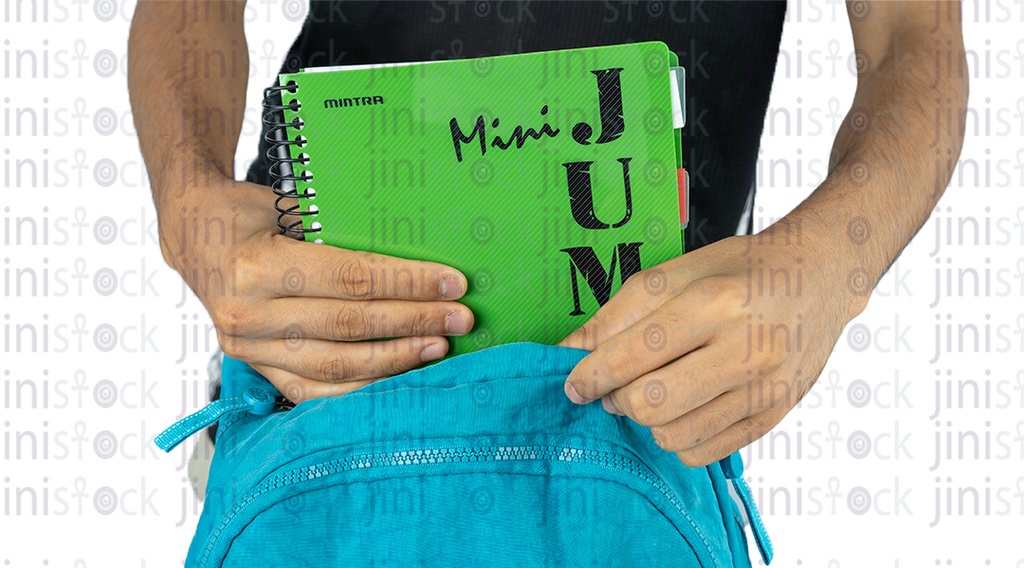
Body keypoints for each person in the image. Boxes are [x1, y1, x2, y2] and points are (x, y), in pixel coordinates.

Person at [128, 0, 965, 493]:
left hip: (651, 397)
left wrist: (828, 267)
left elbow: (912, 40)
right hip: (316, 373)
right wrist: (188, 201)